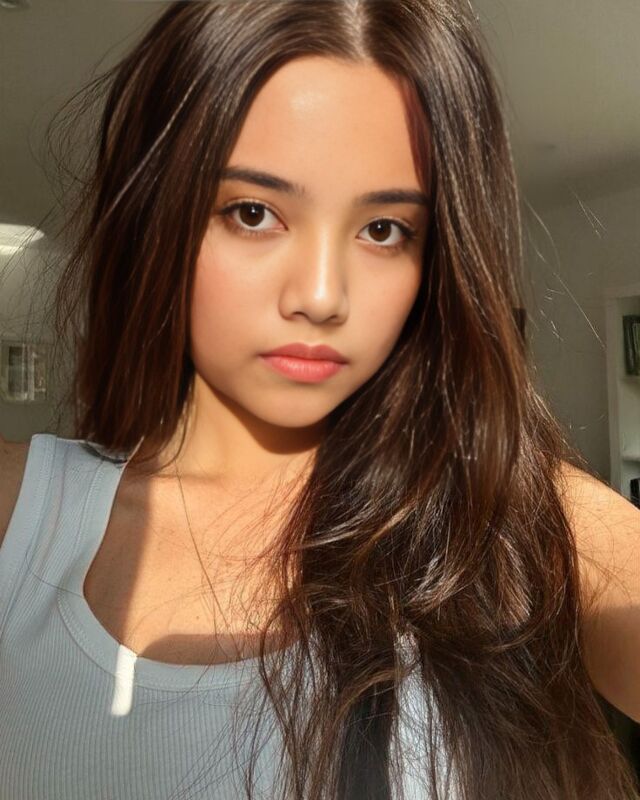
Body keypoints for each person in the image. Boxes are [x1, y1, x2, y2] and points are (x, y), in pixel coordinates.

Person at [0, 1, 639, 798]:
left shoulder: (514, 515)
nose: (322, 296)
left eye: (384, 229)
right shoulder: (20, 517)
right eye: (253, 213)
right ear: (154, 215)